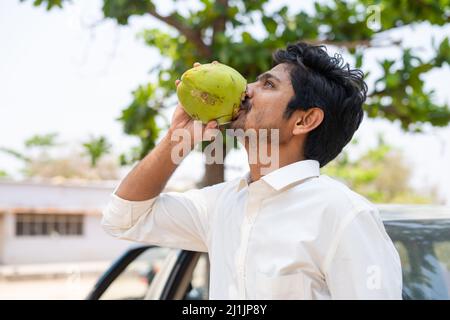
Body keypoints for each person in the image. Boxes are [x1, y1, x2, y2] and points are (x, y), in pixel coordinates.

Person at [101, 42, 402, 300]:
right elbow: (123, 219)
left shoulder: (343, 214)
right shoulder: (223, 204)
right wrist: (177, 136)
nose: (246, 90)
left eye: (268, 85)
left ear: (304, 120)